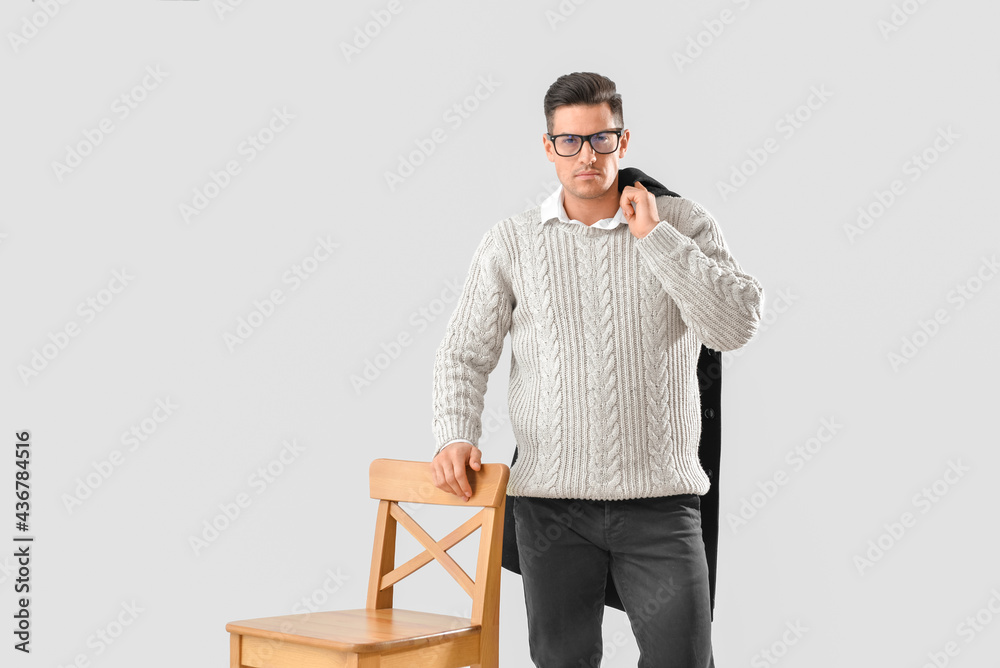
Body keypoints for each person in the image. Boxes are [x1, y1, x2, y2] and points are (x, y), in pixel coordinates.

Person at [429, 71, 764, 668]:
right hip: (551, 508)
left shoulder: (680, 223)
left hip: (661, 502)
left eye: (601, 139)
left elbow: (733, 326)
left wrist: (655, 237)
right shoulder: (512, 242)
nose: (587, 155)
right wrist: (457, 434)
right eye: (571, 141)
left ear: (623, 141)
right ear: (549, 147)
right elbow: (464, 352)